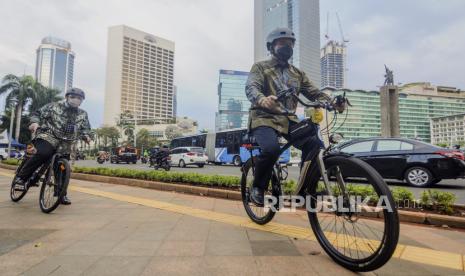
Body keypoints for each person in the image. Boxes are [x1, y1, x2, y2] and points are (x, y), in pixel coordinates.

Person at [245, 27, 345, 205]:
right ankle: (258, 188)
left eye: (290, 44)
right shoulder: (260, 67)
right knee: (271, 150)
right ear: (271, 46)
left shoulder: (297, 74)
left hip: (288, 119)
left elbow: (315, 93)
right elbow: (251, 87)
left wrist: (332, 102)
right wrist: (262, 99)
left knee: (314, 143)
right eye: (282, 43)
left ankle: (307, 189)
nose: (287, 46)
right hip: (263, 118)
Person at [13, 88, 93, 205]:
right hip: (48, 136)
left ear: (82, 101)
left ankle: (61, 194)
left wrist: (87, 136)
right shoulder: (53, 106)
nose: (76, 100)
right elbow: (37, 114)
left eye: (79, 98)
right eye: (73, 97)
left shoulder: (83, 114)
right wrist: (34, 123)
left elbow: (86, 129)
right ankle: (21, 178)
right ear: (67, 97)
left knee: (62, 169)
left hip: (66, 142)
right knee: (43, 153)